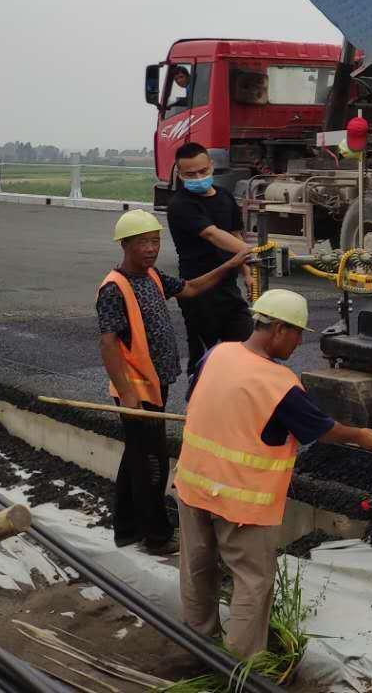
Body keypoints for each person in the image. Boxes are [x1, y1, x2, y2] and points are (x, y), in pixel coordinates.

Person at [175, 289, 372, 659]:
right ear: (279, 330)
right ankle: (241, 667)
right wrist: (361, 436)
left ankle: (198, 645)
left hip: (193, 484)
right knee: (252, 582)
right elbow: (323, 430)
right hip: (240, 503)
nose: (299, 341)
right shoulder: (278, 383)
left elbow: (200, 400)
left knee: (197, 568)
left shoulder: (216, 354)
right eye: (298, 333)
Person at [97, 209, 248, 554]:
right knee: (153, 461)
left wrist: (230, 265)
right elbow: (108, 344)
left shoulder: (152, 276)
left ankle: (126, 528)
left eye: (155, 241)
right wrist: (127, 393)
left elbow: (191, 288)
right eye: (142, 243)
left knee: (136, 457)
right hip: (136, 389)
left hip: (155, 383)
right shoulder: (113, 288)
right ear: (125, 245)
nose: (150, 248)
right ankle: (157, 536)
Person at [167, 142, 253, 376]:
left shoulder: (225, 196)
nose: (198, 177)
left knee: (245, 348)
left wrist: (247, 272)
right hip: (198, 291)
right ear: (179, 173)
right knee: (205, 359)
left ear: (211, 166)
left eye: (202, 172)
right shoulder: (180, 205)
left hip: (228, 290)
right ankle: (198, 404)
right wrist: (256, 251)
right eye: (190, 174)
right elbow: (212, 234)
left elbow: (235, 234)